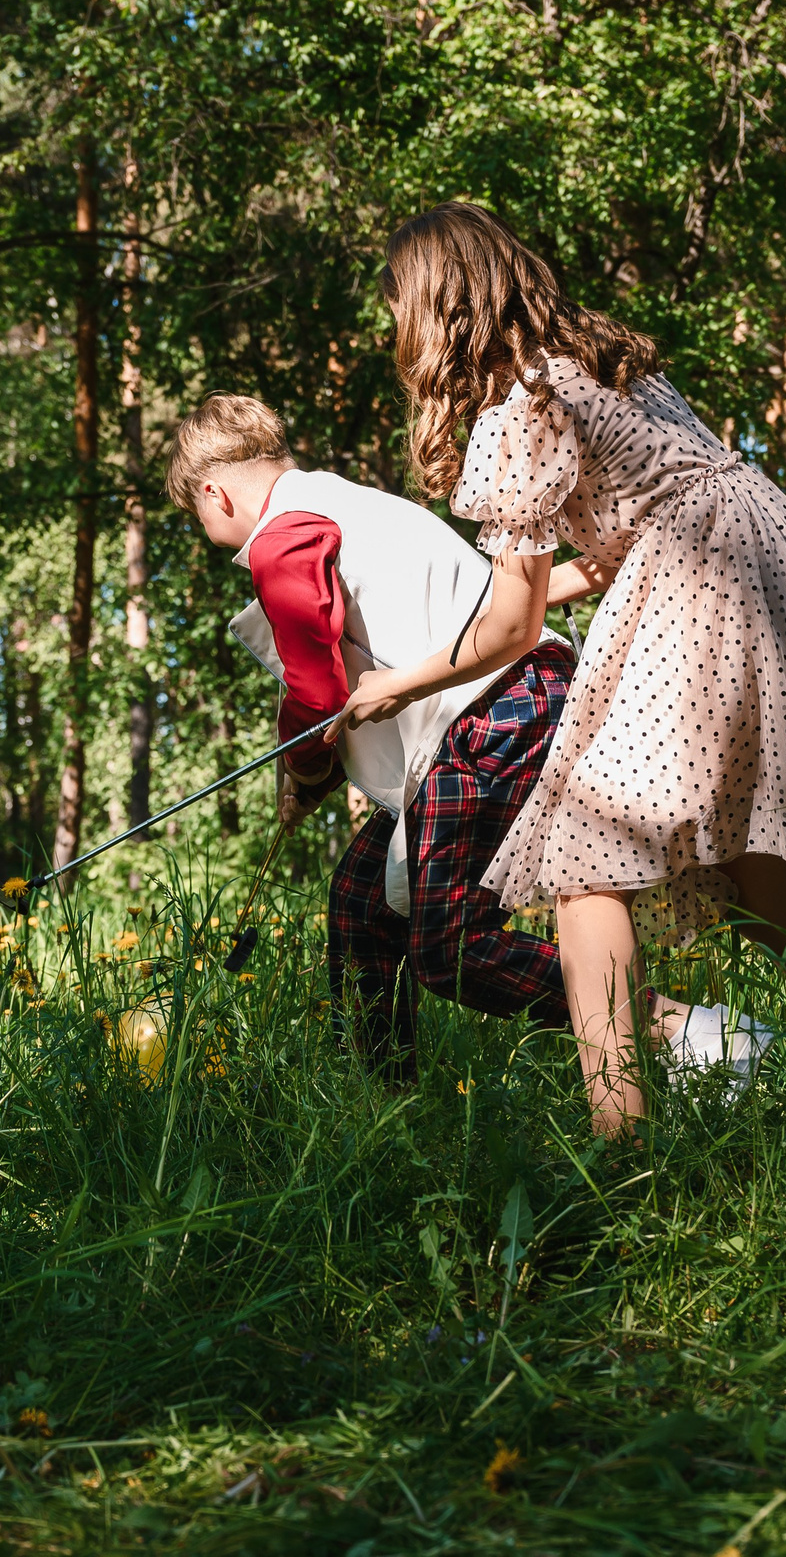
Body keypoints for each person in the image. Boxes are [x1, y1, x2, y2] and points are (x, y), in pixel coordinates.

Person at [331, 203, 786, 1135]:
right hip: (783, 569)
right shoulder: (605, 371)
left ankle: (624, 1143)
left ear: (437, 307)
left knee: (583, 861)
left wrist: (398, 684)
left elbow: (510, 627)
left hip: (703, 587)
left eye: (401, 305)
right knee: (758, 878)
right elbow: (607, 547)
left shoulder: (521, 405)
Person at [167, 393, 587, 1081]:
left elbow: (317, 696)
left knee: (451, 947)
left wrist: (302, 776)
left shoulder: (280, 539)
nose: (206, 529)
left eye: (197, 517)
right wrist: (319, 771)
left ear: (213, 494)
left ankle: (683, 1031)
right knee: (362, 902)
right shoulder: (341, 502)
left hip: (492, 710)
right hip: (508, 700)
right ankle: (383, 1104)